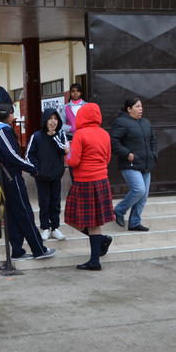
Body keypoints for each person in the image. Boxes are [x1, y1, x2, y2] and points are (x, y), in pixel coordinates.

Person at [0, 103, 55, 261]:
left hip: (1, 177)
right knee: (24, 212)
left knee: (12, 215)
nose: (13, 116)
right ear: (5, 115)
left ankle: (17, 251)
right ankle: (38, 249)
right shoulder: (1, 131)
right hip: (11, 176)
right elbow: (11, 155)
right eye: (11, 113)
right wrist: (32, 168)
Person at [64, 103, 115, 271]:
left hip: (84, 181)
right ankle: (99, 248)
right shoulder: (105, 134)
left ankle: (95, 258)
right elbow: (107, 158)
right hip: (101, 180)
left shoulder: (80, 134)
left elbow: (73, 161)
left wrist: (67, 152)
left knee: (71, 218)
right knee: (95, 222)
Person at [109, 97, 157, 232]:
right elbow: (113, 142)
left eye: (141, 106)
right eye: (137, 106)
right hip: (129, 163)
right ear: (129, 109)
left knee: (143, 196)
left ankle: (135, 222)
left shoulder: (146, 122)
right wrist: (127, 154)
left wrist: (154, 154)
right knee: (139, 190)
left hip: (146, 163)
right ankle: (119, 210)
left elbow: (153, 140)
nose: (141, 109)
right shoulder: (121, 122)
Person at [26, 108, 68, 241]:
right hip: (42, 176)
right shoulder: (36, 136)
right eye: (50, 119)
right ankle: (45, 227)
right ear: (45, 120)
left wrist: (54, 137)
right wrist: (36, 170)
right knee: (44, 202)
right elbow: (29, 155)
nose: (53, 122)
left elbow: (65, 150)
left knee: (55, 202)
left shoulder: (61, 135)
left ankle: (55, 228)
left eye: (55, 119)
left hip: (56, 175)